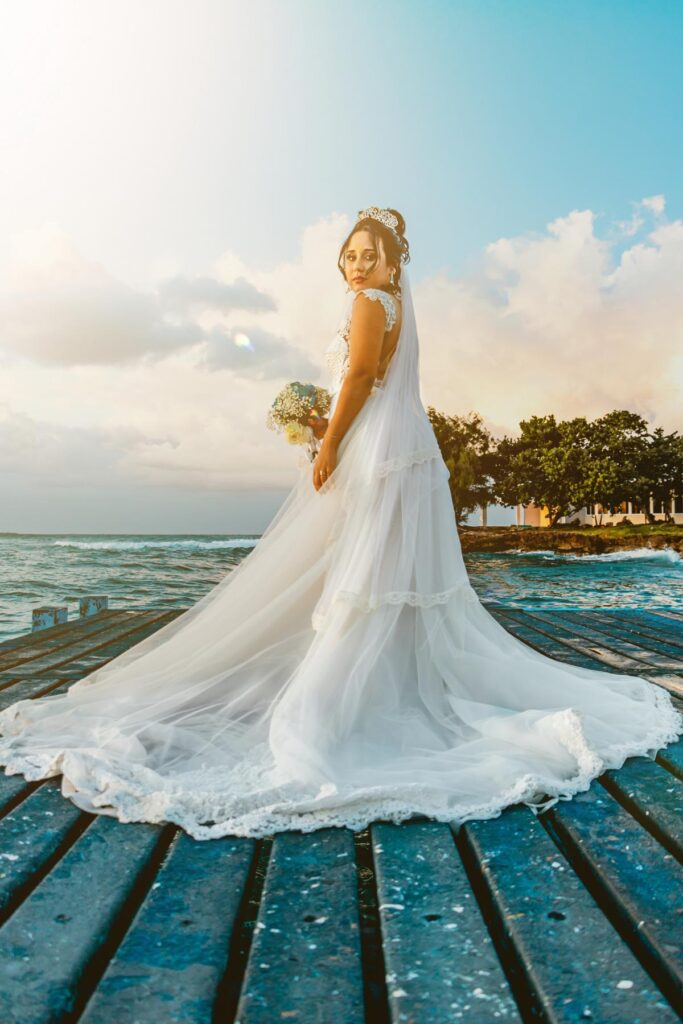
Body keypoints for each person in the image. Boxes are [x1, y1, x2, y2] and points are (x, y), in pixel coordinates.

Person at [0, 207, 680, 840]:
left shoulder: (370, 303)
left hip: (376, 448)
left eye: (369, 255)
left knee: (359, 566)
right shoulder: (395, 307)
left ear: (393, 261)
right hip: (400, 441)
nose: (357, 266)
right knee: (377, 566)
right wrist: (321, 422)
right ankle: (381, 681)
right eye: (349, 256)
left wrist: (327, 444)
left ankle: (339, 700)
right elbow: (376, 381)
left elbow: (357, 377)